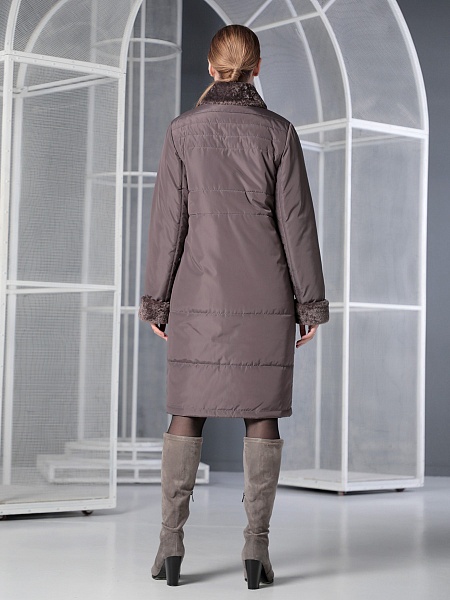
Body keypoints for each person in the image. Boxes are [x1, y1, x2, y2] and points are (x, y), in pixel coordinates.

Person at [139, 24, 329, 589]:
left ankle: (170, 545)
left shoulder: (182, 131)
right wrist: (309, 304)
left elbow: (167, 226)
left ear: (211, 67)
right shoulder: (279, 132)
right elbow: (298, 226)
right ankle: (256, 549)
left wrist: (157, 300)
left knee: (186, 410)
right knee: (260, 412)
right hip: (266, 295)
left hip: (197, 296)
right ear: (257, 67)